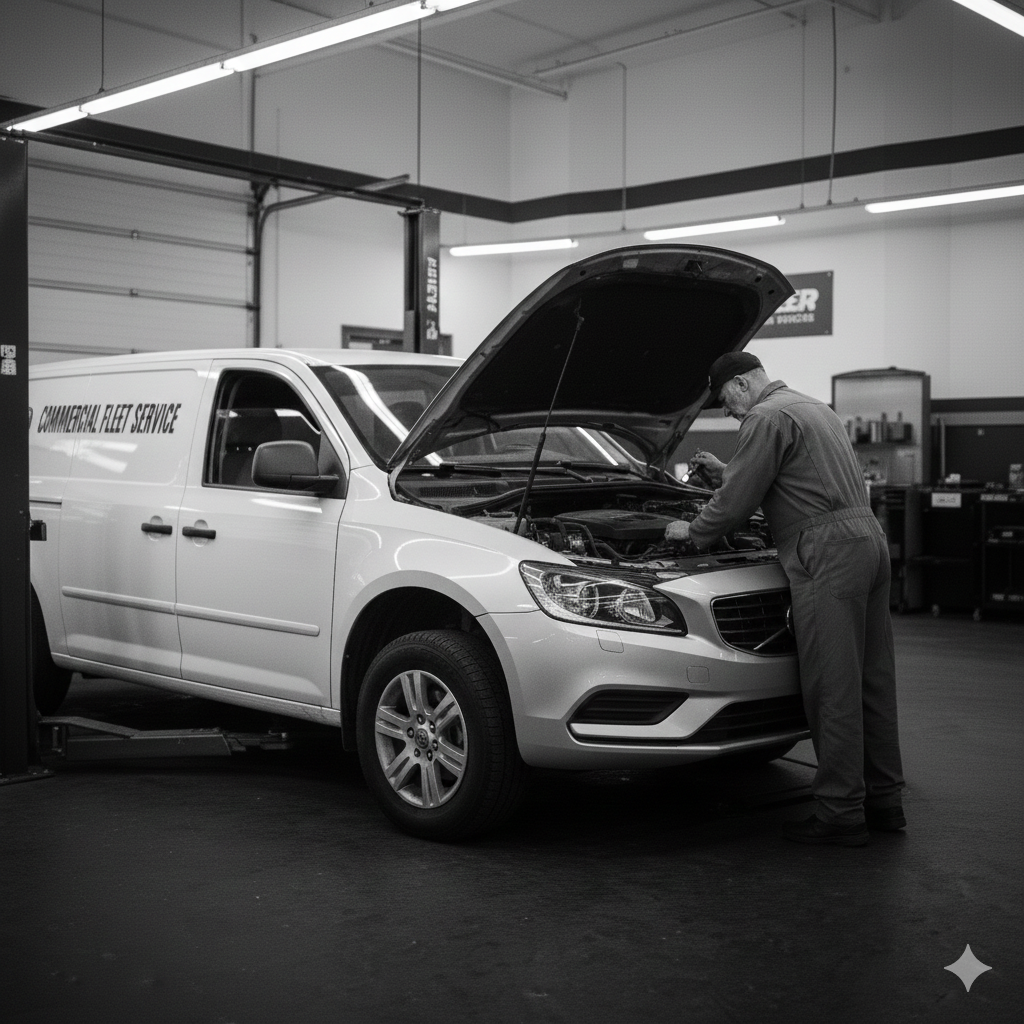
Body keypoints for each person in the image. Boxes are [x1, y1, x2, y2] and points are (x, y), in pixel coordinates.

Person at [666, 351, 905, 846]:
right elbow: (790, 479)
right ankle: (884, 801)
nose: (728, 413)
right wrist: (727, 472)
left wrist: (691, 532)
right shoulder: (812, 407)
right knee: (871, 680)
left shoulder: (764, 416)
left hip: (826, 552)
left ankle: (840, 815)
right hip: (868, 543)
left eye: (724, 402)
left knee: (831, 685)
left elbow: (735, 505)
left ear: (739, 385)